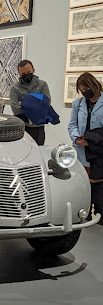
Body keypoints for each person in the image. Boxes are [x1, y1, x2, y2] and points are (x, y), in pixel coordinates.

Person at [68, 72, 103, 221]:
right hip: (82, 149)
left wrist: (93, 140)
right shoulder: (78, 103)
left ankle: (100, 218)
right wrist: (77, 138)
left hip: (99, 150)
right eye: (81, 90)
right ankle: (85, 216)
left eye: (86, 88)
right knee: (84, 186)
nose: (84, 92)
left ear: (94, 85)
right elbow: (72, 125)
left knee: (99, 188)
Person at [9, 60, 51, 145]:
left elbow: (46, 105)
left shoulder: (42, 85)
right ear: (19, 74)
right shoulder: (14, 88)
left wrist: (24, 103)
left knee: (38, 154)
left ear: (33, 70)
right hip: (21, 128)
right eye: (23, 74)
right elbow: (15, 110)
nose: (26, 75)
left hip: (38, 128)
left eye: (28, 72)